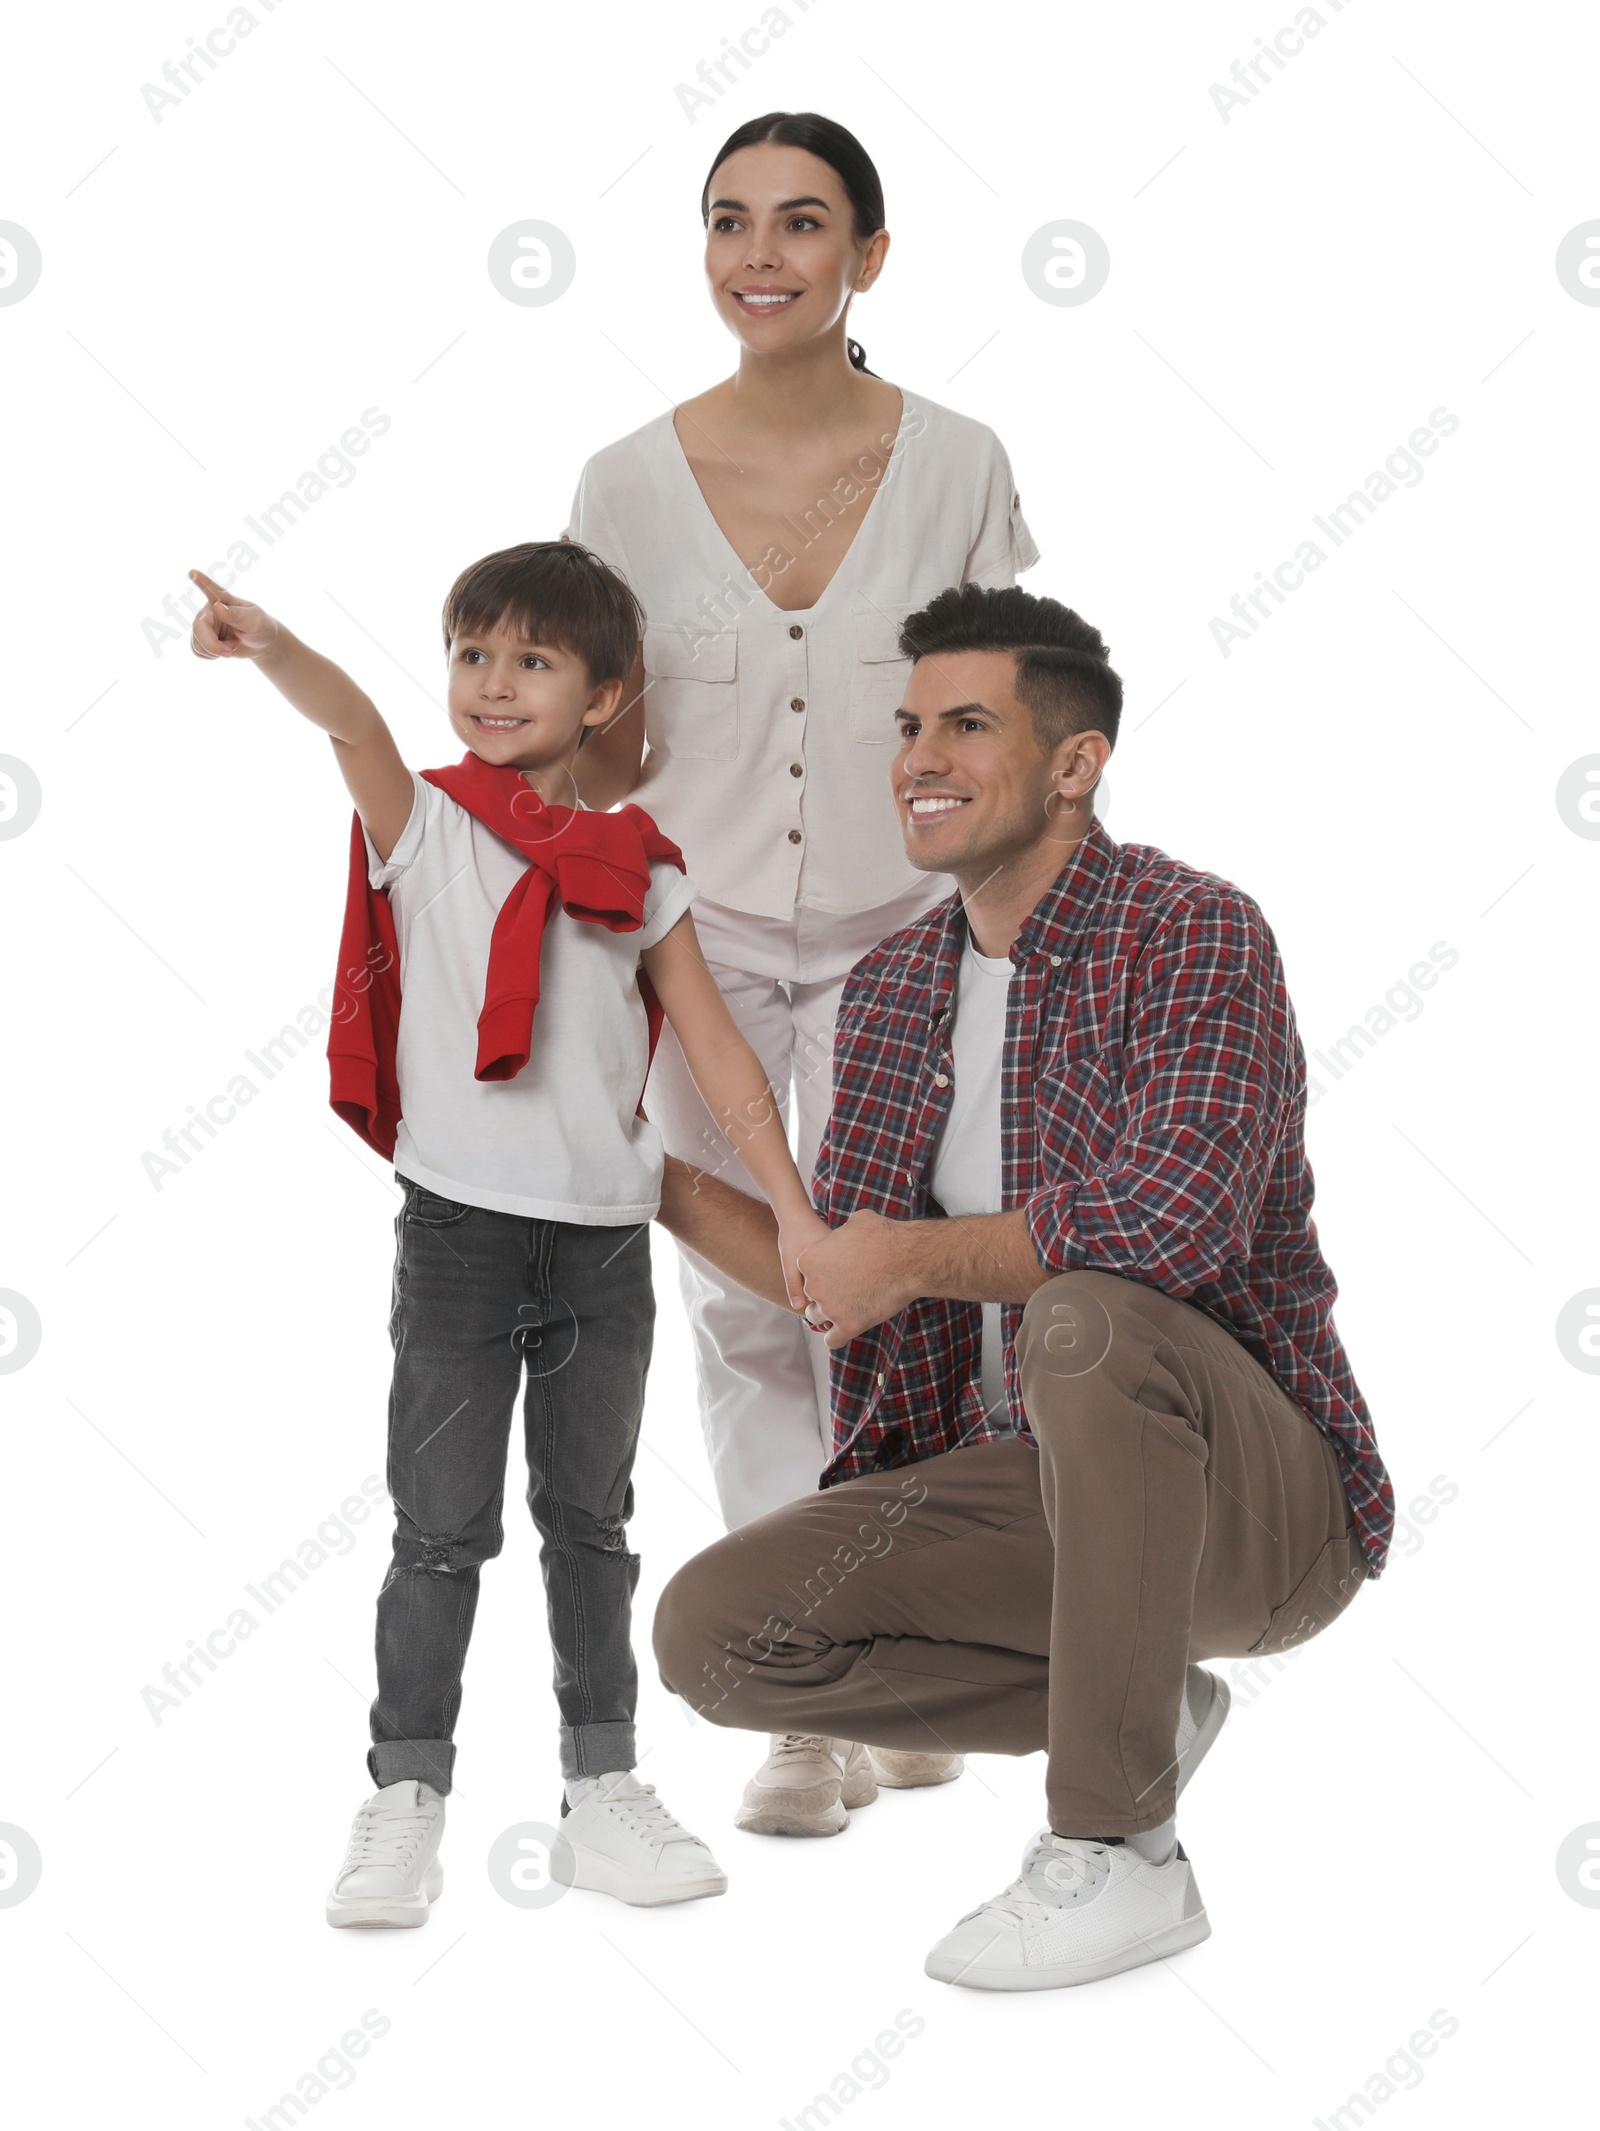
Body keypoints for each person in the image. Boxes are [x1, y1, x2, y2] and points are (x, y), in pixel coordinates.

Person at [651, 582, 1392, 1988]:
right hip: (1031, 1497)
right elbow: (839, 1281)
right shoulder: (890, 991)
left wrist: (906, 1257)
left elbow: (1165, 1223)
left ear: (1074, 765)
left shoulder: (1193, 931)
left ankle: (1123, 1854)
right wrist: (634, 1173)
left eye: (967, 725)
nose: (918, 758)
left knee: (1087, 1309)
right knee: (715, 1640)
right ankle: (1140, 1706)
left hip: (1257, 1508)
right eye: (910, 725)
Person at [184, 542, 830, 1924]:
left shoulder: (643, 872)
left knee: (591, 1525)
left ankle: (603, 1793)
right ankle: (404, 1797)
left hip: (603, 1242)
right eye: (475, 652)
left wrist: (793, 1210)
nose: (493, 683)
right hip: (461, 1238)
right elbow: (355, 719)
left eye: (533, 660)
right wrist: (271, 643)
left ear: (602, 698)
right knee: (438, 1530)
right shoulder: (424, 823)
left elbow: (716, 1056)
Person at [566, 107, 1037, 1819]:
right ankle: (803, 1696)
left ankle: (916, 1661)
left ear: (869, 258)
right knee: (742, 1305)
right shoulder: (624, 480)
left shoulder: (960, 459)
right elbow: (595, 743)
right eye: (728, 221)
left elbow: (1005, 706)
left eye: (801, 221)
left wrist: (1037, 923)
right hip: (691, 948)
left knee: (904, 1298)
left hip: (911, 945)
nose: (758, 254)